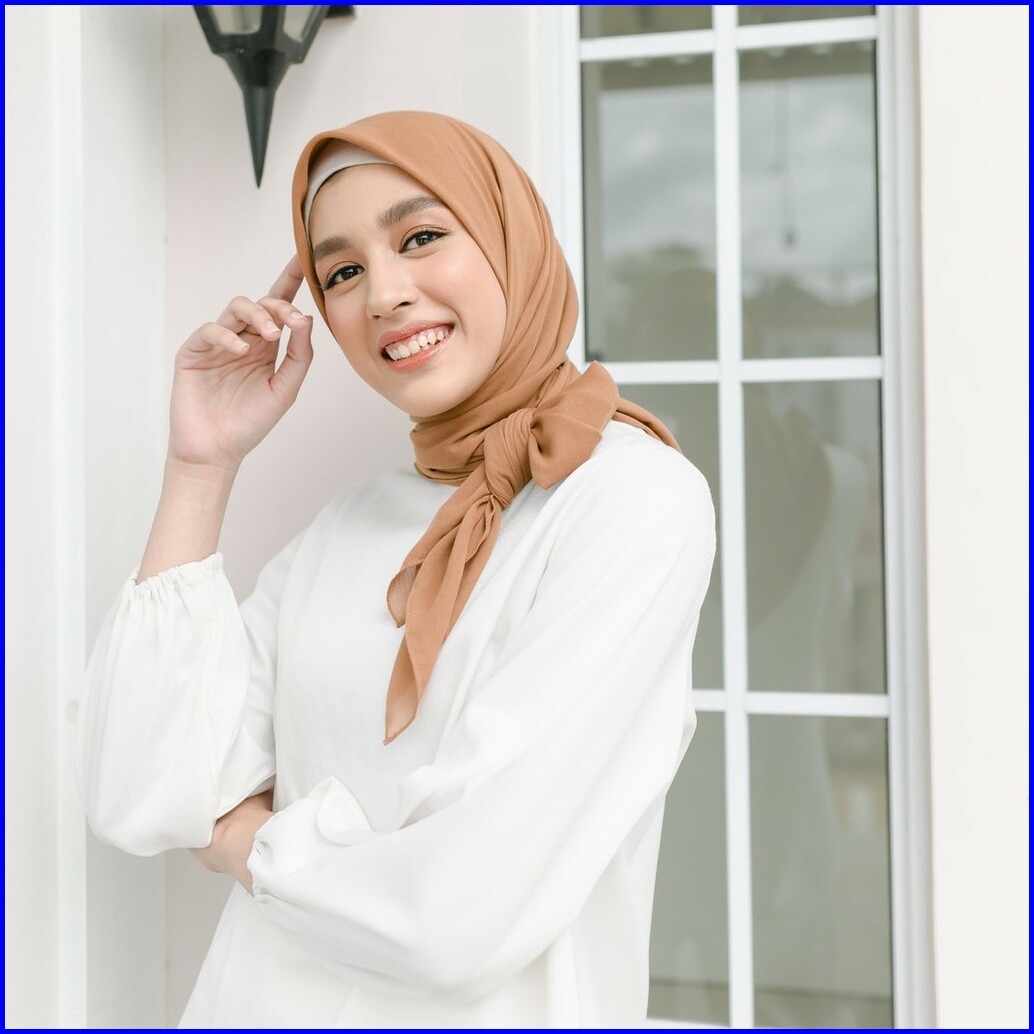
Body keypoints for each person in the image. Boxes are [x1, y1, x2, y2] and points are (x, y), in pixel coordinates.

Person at [76, 111, 716, 1028]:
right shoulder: (344, 529)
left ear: (510, 237)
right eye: (341, 272)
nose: (383, 294)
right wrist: (200, 467)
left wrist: (253, 844)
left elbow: (457, 916)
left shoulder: (631, 499)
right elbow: (138, 791)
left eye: (420, 237)